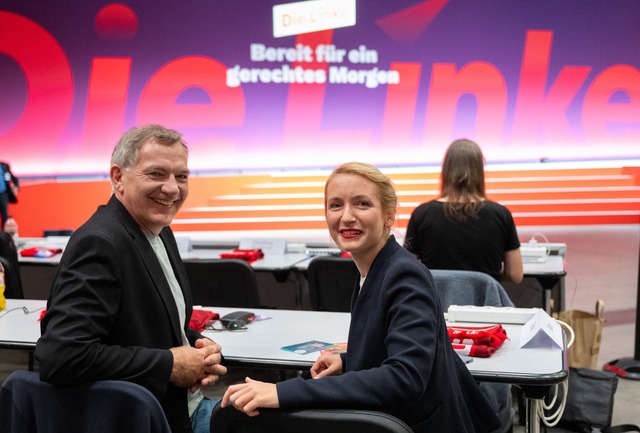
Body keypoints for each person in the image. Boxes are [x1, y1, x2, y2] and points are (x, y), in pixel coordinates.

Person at [221, 162, 501, 433]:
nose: (346, 216)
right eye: (336, 205)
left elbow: (406, 377)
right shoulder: (376, 266)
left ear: (389, 216)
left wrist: (283, 392)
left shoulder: (404, 274)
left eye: (362, 204)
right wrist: (348, 359)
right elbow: (392, 341)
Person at [35, 124, 227, 433]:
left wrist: (197, 348)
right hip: (142, 420)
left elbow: (143, 325)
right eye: (156, 174)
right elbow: (61, 356)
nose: (172, 189)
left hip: (176, 407)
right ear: (118, 178)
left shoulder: (159, 232)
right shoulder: (100, 242)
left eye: (181, 176)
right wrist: (170, 364)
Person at [404, 138, 523, 283]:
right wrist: (487, 280)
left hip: (435, 304)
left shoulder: (422, 214)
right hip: (485, 304)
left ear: (446, 171)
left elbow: (407, 271)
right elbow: (515, 275)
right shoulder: (501, 215)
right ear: (480, 172)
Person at [0, 161, 19, 230]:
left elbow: (14, 178)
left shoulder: (4, 166)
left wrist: (16, 187)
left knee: (4, 215)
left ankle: (4, 236)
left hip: (3, 194)